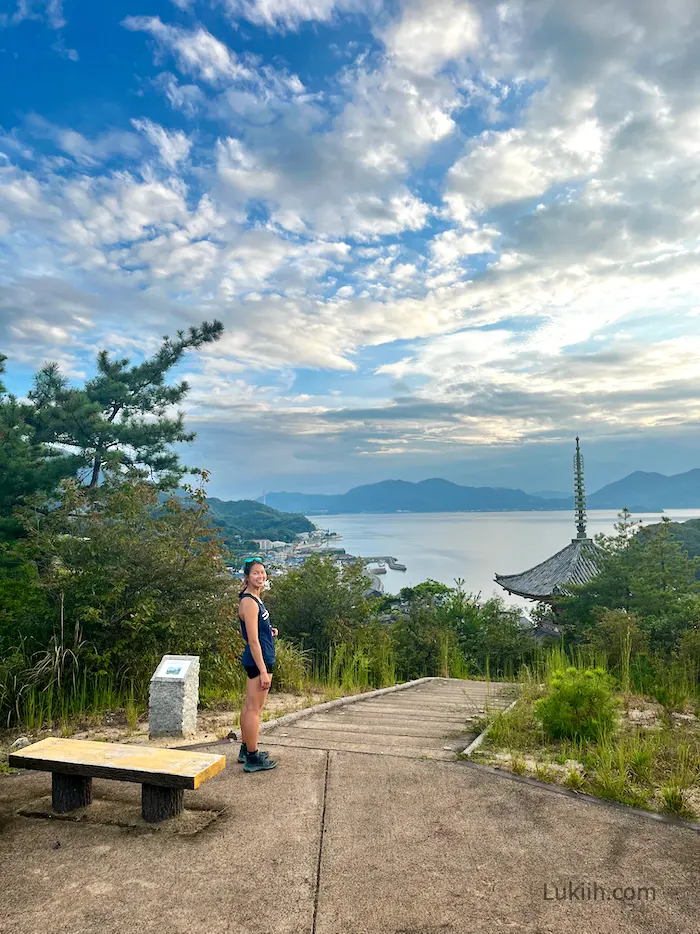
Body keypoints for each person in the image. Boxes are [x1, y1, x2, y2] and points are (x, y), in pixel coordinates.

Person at [237, 556, 278, 772]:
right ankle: (252, 757)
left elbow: (256, 632)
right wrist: (263, 671)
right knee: (255, 709)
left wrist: (269, 632)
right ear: (247, 577)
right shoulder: (249, 602)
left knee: (249, 707)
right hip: (259, 660)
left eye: (262, 572)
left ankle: (246, 748)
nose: (260, 576)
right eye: (255, 573)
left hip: (258, 657)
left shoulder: (253, 598)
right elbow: (252, 640)